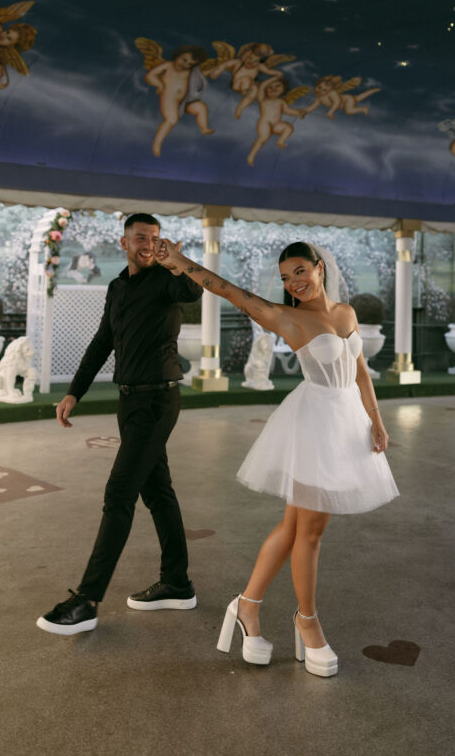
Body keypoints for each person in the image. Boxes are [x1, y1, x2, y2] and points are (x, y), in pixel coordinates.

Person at [154, 238, 398, 677]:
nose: (294, 282)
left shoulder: (345, 313)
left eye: (301, 271)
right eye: (286, 277)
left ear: (320, 268)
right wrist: (179, 261)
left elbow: (360, 372)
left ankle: (247, 605)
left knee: (294, 527)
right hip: (314, 426)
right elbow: (228, 290)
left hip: (347, 424)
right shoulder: (286, 318)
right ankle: (307, 623)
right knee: (310, 530)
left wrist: (376, 420)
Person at [36, 214, 203, 636]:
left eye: (155, 239)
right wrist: (75, 391)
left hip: (158, 400)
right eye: (141, 238)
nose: (149, 245)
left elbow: (193, 290)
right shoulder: (117, 287)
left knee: (119, 495)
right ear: (124, 242)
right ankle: (177, 583)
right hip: (128, 402)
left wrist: (178, 260)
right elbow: (101, 342)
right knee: (158, 492)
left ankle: (87, 600)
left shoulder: (168, 280)